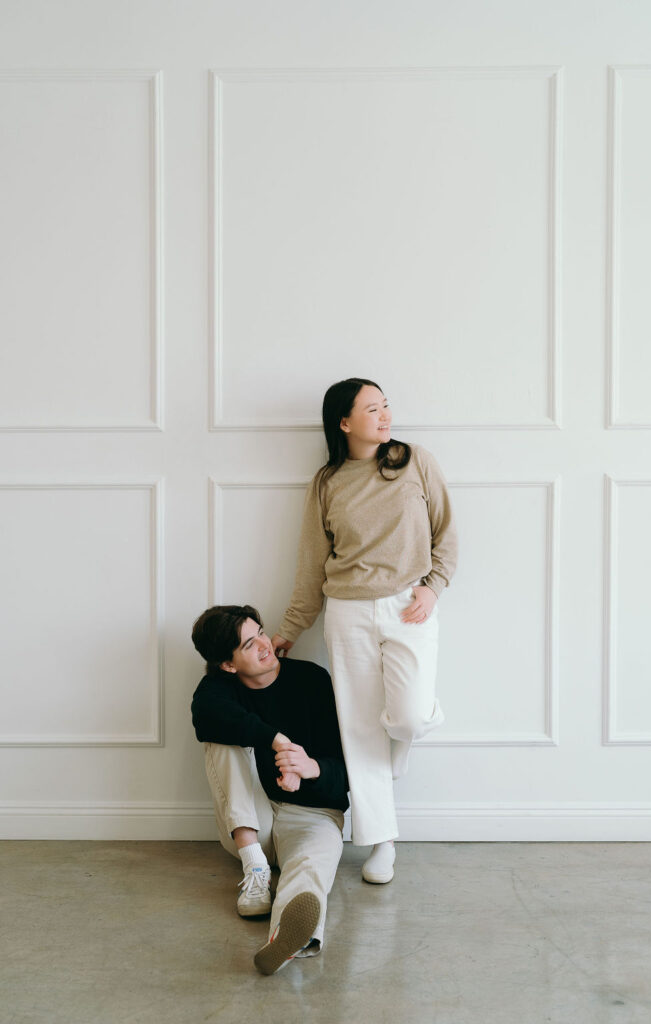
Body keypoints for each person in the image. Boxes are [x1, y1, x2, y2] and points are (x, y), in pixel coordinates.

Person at [271, 378, 457, 886]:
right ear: (345, 422)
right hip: (346, 611)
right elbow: (312, 564)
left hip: (408, 608)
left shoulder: (414, 460)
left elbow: (447, 533)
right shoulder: (327, 481)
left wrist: (432, 587)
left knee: (410, 716)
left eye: (386, 406)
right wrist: (290, 628)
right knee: (359, 730)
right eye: (372, 409)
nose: (385, 416)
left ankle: (418, 724)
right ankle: (382, 842)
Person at [191, 604, 348, 975]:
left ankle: (287, 939)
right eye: (249, 644)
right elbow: (206, 714)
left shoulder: (311, 680)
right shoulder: (217, 689)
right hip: (251, 822)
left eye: (260, 632)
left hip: (312, 815)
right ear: (228, 665)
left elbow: (344, 771)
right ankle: (256, 872)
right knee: (218, 736)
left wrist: (310, 768)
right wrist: (278, 742)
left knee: (312, 864)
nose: (265, 645)